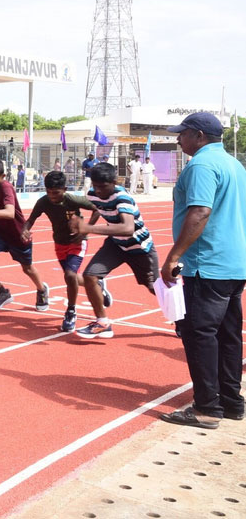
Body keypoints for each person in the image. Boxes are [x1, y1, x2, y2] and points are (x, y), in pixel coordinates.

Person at [159, 112, 246, 428]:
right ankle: (232, 401)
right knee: (228, 334)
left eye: (182, 133)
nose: (178, 139)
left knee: (199, 333)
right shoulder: (235, 165)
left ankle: (207, 407)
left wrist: (173, 258)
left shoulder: (201, 166)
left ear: (198, 135)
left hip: (206, 264)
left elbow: (199, 212)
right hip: (234, 263)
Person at [71, 162, 158, 339]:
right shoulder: (93, 194)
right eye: (96, 186)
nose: (99, 191)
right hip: (116, 244)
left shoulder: (122, 198)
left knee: (154, 287)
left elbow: (127, 228)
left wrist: (88, 228)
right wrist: (84, 229)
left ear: (114, 182)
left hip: (139, 247)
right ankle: (102, 323)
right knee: (89, 276)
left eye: (103, 187)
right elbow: (98, 208)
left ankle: (183, 319)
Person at [22, 170, 100, 332]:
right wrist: (25, 230)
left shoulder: (72, 199)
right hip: (59, 243)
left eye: (56, 193)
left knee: (69, 276)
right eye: (49, 192)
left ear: (64, 189)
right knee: (72, 278)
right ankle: (96, 285)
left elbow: (97, 209)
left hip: (77, 241)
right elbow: (30, 220)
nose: (52, 196)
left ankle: (70, 311)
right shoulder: (43, 202)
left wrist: (85, 230)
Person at [0, 158, 49, 312]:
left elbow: (10, 213)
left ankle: (41, 290)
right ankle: (2, 292)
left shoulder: (6, 187)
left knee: (27, 268)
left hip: (18, 234)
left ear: (3, 176)